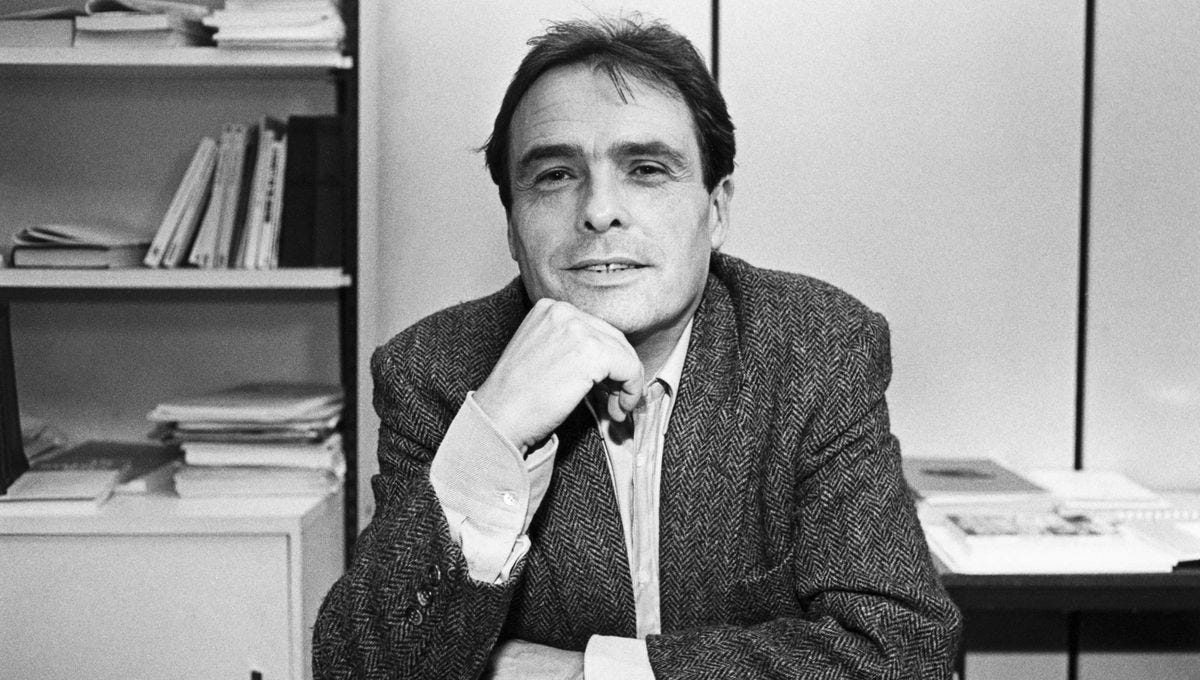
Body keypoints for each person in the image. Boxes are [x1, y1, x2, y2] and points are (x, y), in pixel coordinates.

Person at [313, 14, 961, 679]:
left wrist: (584, 673)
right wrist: (494, 436)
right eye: (555, 175)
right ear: (512, 227)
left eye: (646, 170)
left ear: (716, 211)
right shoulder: (434, 370)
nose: (599, 210)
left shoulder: (816, 347)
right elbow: (359, 669)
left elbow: (903, 654)